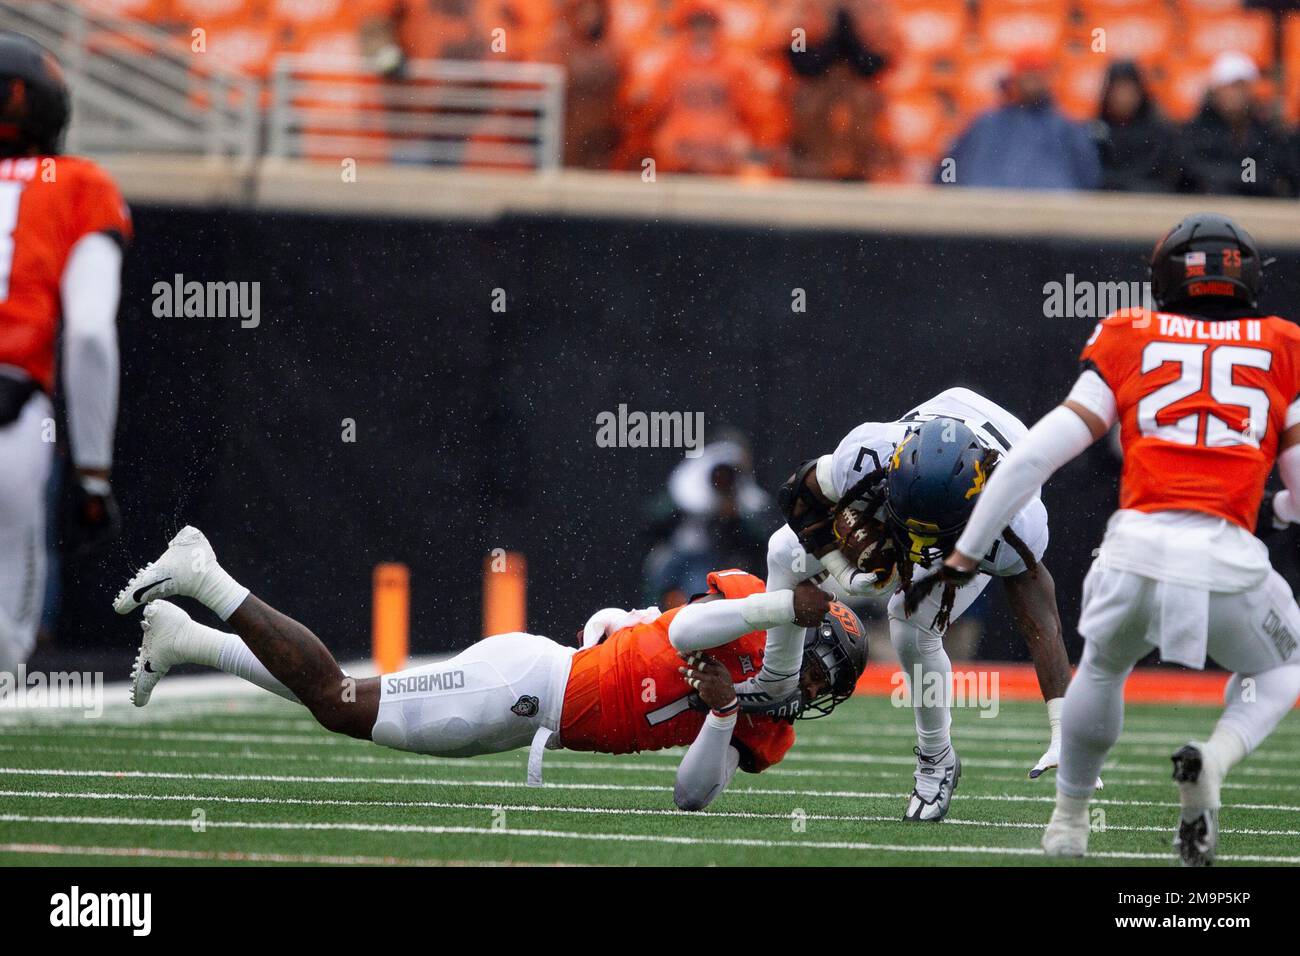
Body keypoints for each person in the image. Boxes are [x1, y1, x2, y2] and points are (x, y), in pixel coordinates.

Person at [938, 214, 1300, 865]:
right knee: (1281, 667)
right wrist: (1274, 506)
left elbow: (1030, 461)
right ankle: (1213, 761)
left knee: (1102, 670)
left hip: (1134, 552)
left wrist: (966, 550)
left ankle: (1069, 822)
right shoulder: (1282, 344)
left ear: (1162, 277)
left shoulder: (1129, 333)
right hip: (1231, 560)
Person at [113, 527, 866, 810]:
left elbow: (691, 799)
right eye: (815, 675)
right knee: (341, 702)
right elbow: (694, 622)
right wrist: (774, 614)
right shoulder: (736, 620)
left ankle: (185, 638)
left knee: (344, 700)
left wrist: (727, 709)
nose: (807, 692)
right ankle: (206, 575)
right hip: (525, 688)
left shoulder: (758, 720)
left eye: (820, 692)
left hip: (529, 709)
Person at [736, 387, 1091, 822]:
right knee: (781, 553)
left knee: (910, 621)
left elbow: (1043, 624)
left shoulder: (1013, 521)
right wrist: (840, 568)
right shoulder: (869, 455)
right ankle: (777, 680)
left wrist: (1063, 727)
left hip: (979, 505)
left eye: (933, 534)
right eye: (911, 527)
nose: (920, 545)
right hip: (928, 473)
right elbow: (797, 493)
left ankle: (936, 759)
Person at [0, 33, 130, 675]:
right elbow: (86, 334)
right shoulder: (78, 183)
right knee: (4, 652)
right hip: (11, 410)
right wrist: (93, 475)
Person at [937, 50, 1100, 190]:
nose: (1032, 81)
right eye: (1027, 73)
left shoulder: (1065, 128)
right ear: (1015, 78)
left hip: (1049, 217)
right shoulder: (986, 123)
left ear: (1048, 78)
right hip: (986, 213)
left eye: (1037, 74)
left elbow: (1088, 178)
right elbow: (949, 169)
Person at [1177, 51, 1297, 198]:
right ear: (1215, 90)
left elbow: (1269, 174)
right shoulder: (1194, 131)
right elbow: (1195, 172)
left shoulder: (1266, 132)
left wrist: (1234, 178)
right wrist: (1242, 178)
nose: (1236, 93)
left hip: (1255, 210)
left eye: (1242, 86)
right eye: (1230, 86)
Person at [1091, 59, 1179, 193]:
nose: (1123, 97)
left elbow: (1162, 176)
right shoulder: (1094, 131)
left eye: (1129, 90)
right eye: (1118, 90)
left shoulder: (1160, 132)